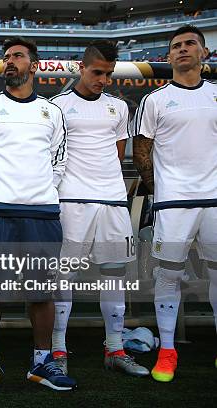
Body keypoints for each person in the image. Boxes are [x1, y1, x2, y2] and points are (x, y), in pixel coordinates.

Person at [0, 36, 76, 392]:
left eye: (18, 56)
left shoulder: (51, 111)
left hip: (41, 212)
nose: (10, 61)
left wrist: (41, 190)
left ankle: (42, 362)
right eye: (6, 57)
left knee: (41, 290)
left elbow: (60, 158)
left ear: (34, 65)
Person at [50, 40, 149, 377]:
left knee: (114, 276)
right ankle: (58, 349)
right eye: (97, 72)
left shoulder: (118, 107)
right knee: (65, 277)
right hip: (71, 200)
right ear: (82, 67)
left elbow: (117, 152)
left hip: (111, 201)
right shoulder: (57, 105)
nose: (103, 79)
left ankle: (115, 347)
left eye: (108, 74)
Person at [132, 24, 217, 382]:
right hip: (173, 205)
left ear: (204, 54)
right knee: (168, 276)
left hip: (214, 201)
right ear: (168, 57)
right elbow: (141, 151)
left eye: (190, 44)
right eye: (176, 46)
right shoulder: (154, 100)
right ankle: (167, 350)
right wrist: (159, 191)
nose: (182, 49)